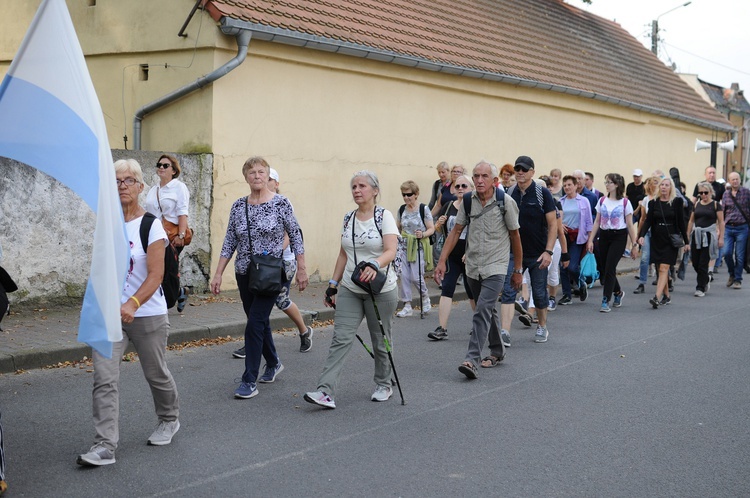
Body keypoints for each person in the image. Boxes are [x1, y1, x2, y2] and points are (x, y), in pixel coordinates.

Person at [77, 159, 180, 467]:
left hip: (147, 313)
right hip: (111, 316)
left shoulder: (151, 225)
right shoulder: (106, 225)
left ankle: (169, 418)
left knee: (156, 373)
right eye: (117, 181)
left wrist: (132, 303)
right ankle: (104, 445)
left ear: (139, 186)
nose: (122, 185)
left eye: (128, 180)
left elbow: (155, 275)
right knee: (104, 378)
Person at [211, 157, 307, 399]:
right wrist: (218, 273)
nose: (256, 176)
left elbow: (296, 235)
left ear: (268, 176)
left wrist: (302, 268)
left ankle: (248, 379)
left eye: (261, 171)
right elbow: (229, 241)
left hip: (271, 272)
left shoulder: (281, 203)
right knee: (259, 322)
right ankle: (273, 362)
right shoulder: (237, 206)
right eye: (251, 172)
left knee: (254, 322)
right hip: (244, 272)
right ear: (246, 177)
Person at [304, 171, 399, 408]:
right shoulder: (348, 218)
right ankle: (325, 392)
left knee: (380, 340)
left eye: (362, 186)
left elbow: (391, 250)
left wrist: (375, 264)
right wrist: (332, 286)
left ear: (375, 191)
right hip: (350, 287)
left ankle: (384, 383)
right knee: (341, 338)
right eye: (354, 187)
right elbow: (343, 254)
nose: (357, 190)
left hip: (381, 289)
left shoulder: (383, 216)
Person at [435, 161, 522, 378]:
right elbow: (455, 231)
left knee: (482, 309)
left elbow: (515, 236)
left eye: (484, 176)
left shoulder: (505, 202)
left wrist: (518, 269)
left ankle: (471, 359)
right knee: (488, 310)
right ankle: (498, 350)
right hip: (472, 265)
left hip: (496, 265)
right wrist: (442, 260)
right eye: (476, 176)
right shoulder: (467, 201)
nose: (479, 180)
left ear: (495, 181)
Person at [231, 168, 313, 357]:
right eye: (255, 174)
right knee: (260, 309)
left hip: (282, 262)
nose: (262, 180)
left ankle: (303, 330)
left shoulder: (282, 202)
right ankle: (260, 347)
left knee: (279, 300)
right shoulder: (249, 203)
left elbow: (291, 234)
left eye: (269, 178)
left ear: (275, 183)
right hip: (261, 264)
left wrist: (273, 255)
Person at [499, 156, 557, 344]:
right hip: (513, 253)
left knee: (539, 293)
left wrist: (549, 252)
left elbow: (553, 224)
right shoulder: (509, 193)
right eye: (518, 169)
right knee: (508, 290)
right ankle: (505, 332)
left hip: (537, 253)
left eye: (524, 169)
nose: (520, 172)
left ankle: (542, 326)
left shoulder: (542, 193)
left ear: (532, 172)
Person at [428, 174, 476, 340]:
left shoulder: (474, 206)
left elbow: (477, 232)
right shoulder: (448, 206)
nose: (461, 189)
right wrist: (439, 225)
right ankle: (442, 328)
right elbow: (444, 233)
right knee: (447, 289)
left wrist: (469, 252)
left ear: (471, 188)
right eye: (458, 186)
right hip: (452, 255)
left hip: (469, 255)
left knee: (472, 292)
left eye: (464, 186)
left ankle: (480, 324)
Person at [144, 154, 191, 312]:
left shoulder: (179, 187)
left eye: (165, 165)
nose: (161, 168)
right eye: (159, 165)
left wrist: (181, 236)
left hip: (172, 237)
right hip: (154, 236)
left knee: (168, 270)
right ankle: (178, 293)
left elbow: (182, 212)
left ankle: (166, 300)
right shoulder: (153, 190)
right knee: (156, 268)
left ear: (173, 170)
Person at [586, 173, 639, 312]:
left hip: (619, 237)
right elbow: (597, 221)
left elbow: (630, 225)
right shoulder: (602, 200)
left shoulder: (625, 203)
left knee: (610, 267)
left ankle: (605, 300)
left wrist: (634, 244)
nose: (607, 184)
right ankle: (618, 292)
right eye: (606, 182)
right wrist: (590, 240)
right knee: (604, 268)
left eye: (609, 182)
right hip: (604, 235)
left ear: (616, 184)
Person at [638, 177, 687, 308]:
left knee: (664, 268)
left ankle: (656, 297)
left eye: (667, 185)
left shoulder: (677, 202)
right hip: (657, 239)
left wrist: (687, 242)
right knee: (661, 269)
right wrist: (641, 235)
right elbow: (648, 221)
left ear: (671, 188)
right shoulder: (653, 202)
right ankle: (667, 296)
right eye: (662, 185)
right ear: (659, 187)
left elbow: (682, 222)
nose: (664, 187)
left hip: (670, 239)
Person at [395, 181, 435, 317]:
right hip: (404, 247)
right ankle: (407, 305)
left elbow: (431, 228)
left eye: (409, 195)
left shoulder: (423, 209)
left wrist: (422, 234)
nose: (406, 198)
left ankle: (425, 297)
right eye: (403, 195)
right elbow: (398, 227)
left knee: (416, 277)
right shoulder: (402, 210)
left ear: (416, 194)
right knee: (404, 276)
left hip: (418, 247)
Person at [559, 175, 593, 305]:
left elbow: (589, 221)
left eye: (569, 185)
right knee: (563, 267)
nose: (567, 187)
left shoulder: (583, 201)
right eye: (565, 185)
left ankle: (581, 282)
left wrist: (590, 240)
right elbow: (555, 218)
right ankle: (567, 295)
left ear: (575, 186)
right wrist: (560, 225)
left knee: (572, 266)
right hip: (564, 237)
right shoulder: (561, 202)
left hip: (578, 236)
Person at [687, 182, 724, 297]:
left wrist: (721, 237)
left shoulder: (715, 205)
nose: (703, 195)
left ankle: (700, 288)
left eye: (705, 192)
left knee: (703, 262)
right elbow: (691, 221)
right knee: (695, 262)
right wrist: (687, 236)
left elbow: (721, 222)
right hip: (697, 235)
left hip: (708, 236)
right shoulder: (697, 204)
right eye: (701, 193)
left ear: (710, 192)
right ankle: (706, 279)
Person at [721, 171, 750, 289]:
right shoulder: (726, 194)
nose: (735, 181)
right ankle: (732, 274)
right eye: (732, 179)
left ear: (739, 180)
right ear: (729, 181)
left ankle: (738, 279)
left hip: (742, 227)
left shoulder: (746, 193)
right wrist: (720, 228)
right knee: (726, 253)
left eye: (737, 179)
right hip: (728, 227)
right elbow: (722, 212)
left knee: (739, 255)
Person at [633, 175, 660, 294]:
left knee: (660, 258)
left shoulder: (662, 198)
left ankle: (664, 279)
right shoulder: (646, 199)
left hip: (660, 232)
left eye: (657, 182)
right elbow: (643, 219)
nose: (655, 184)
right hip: (648, 232)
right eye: (653, 182)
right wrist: (638, 235)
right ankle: (642, 283)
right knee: (645, 257)